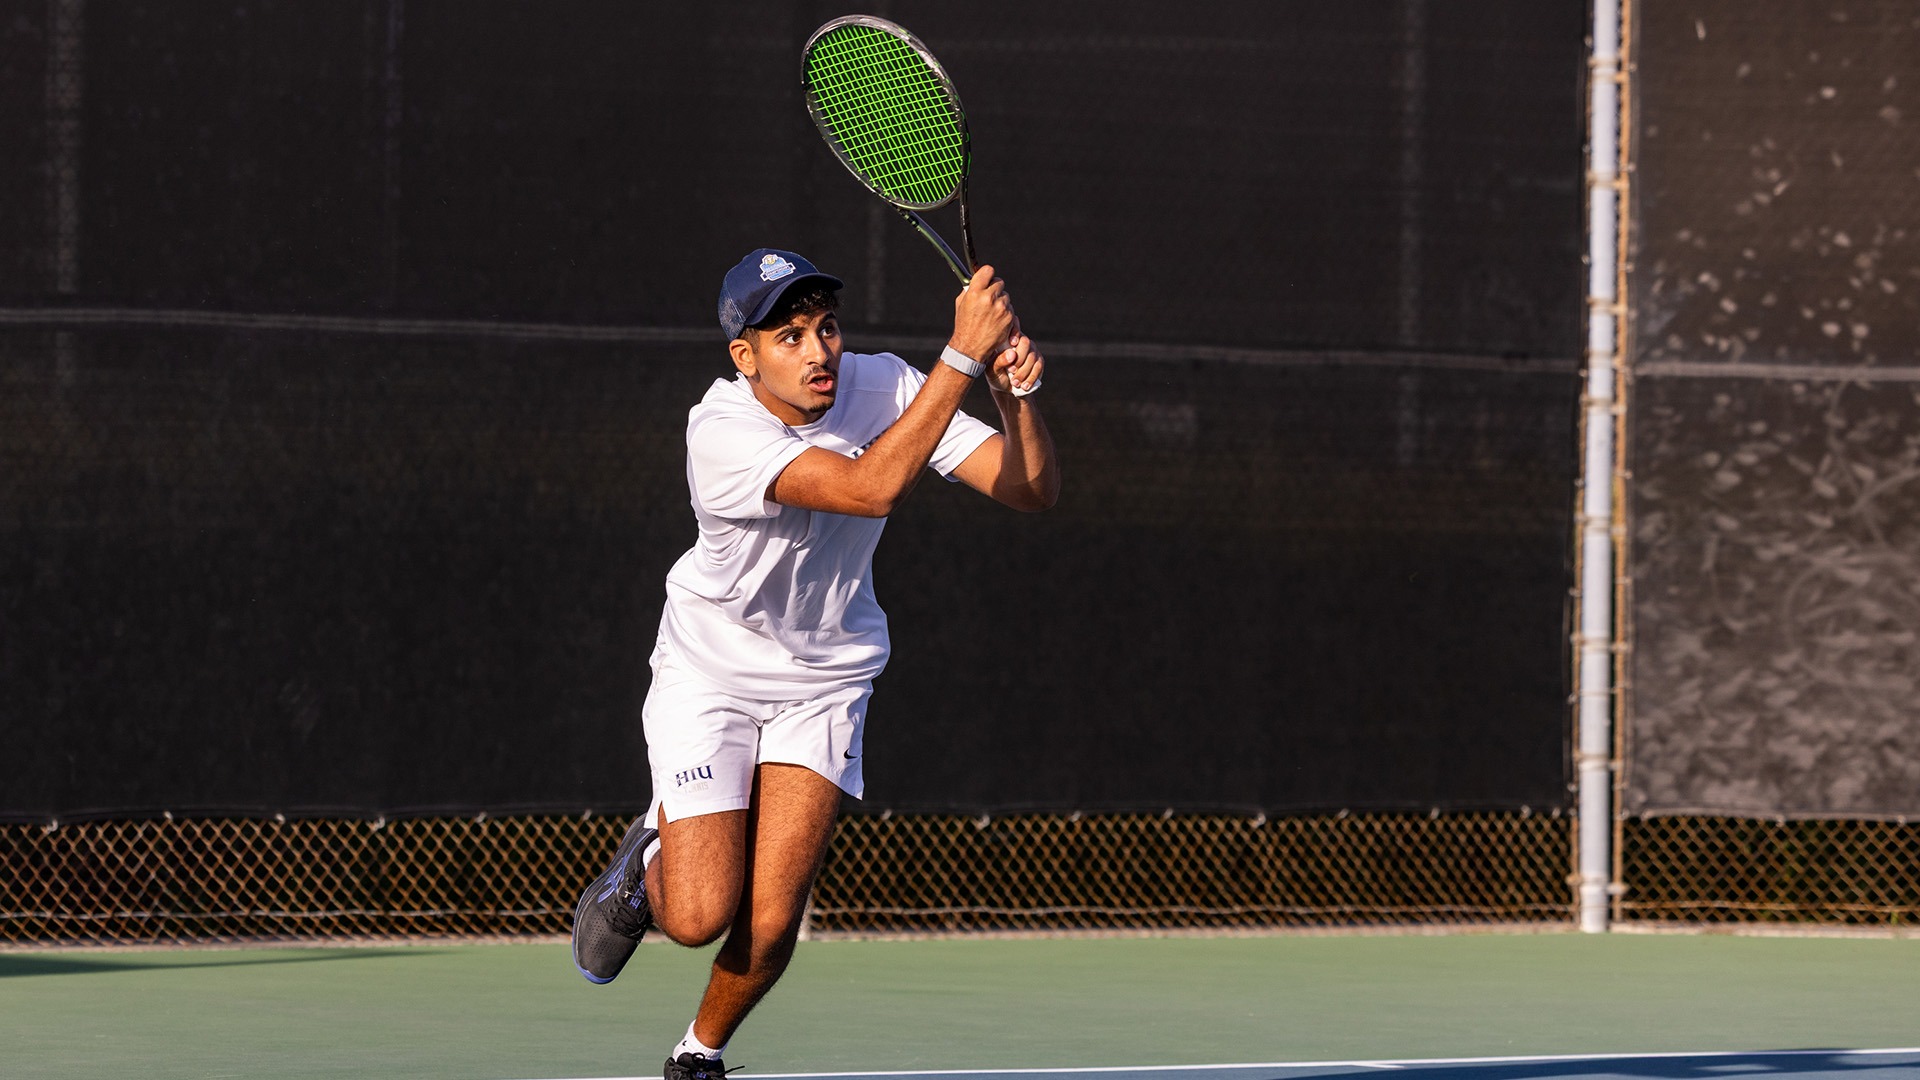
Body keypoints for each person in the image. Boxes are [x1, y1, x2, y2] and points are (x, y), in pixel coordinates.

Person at [569, 248, 1059, 1079]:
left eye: (826, 328)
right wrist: (964, 357)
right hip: (709, 674)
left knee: (769, 921)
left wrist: (1017, 403)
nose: (817, 350)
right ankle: (648, 855)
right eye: (788, 336)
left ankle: (698, 1056)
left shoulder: (890, 386)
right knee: (696, 916)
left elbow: (1028, 490)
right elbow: (870, 489)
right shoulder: (719, 432)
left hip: (826, 681)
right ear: (745, 356)